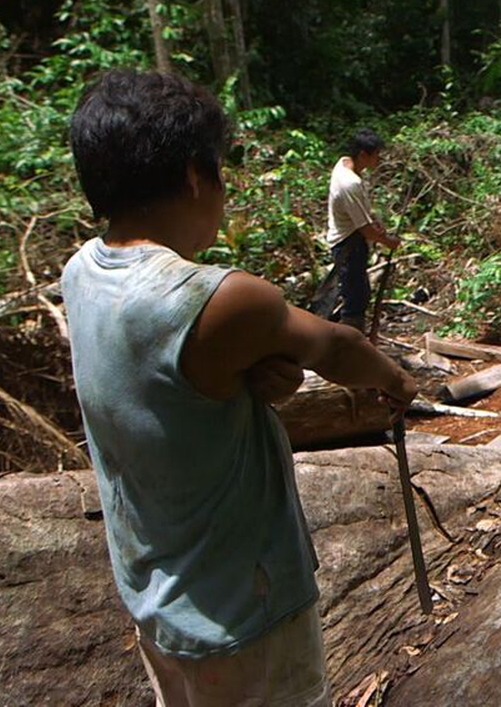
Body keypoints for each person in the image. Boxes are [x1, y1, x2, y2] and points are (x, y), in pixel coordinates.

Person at [63, 69, 418, 706]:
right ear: (196, 175)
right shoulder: (219, 298)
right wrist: (396, 379)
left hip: (155, 595)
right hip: (243, 611)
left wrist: (248, 380)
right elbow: (338, 346)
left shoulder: (82, 272)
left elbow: (167, 387)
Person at [325, 129, 400, 329]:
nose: (379, 159)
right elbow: (365, 230)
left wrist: (373, 219)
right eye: (376, 155)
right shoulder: (349, 183)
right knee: (355, 300)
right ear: (363, 155)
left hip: (351, 240)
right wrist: (389, 242)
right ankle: (351, 345)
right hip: (349, 244)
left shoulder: (345, 165)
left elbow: (360, 214)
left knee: (359, 293)